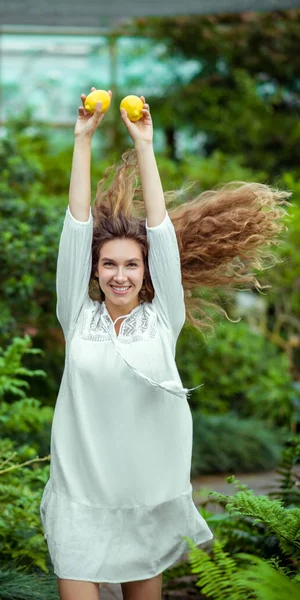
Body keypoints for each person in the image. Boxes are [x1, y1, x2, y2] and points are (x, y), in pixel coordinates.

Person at [40, 87, 290, 600]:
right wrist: (82, 141)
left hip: (144, 501)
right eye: (109, 263)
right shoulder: (76, 314)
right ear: (94, 270)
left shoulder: (162, 319)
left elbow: (161, 235)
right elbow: (75, 228)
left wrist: (146, 145)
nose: (120, 274)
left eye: (131, 264)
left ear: (145, 272)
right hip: (80, 502)